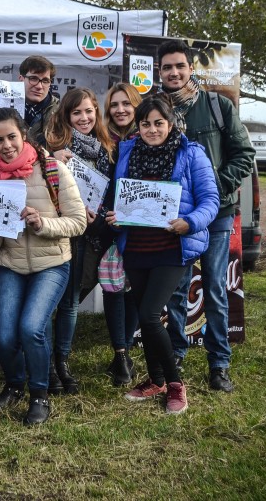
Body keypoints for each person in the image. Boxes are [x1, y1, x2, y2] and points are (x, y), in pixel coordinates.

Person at [0, 107, 87, 426]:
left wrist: (41, 223)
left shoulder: (53, 171)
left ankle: (39, 394)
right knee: (4, 338)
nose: (6, 145)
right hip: (9, 264)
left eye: (11, 137)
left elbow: (77, 223)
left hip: (52, 264)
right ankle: (14, 384)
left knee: (31, 328)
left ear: (23, 134)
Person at [106, 95, 220, 415]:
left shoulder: (191, 153)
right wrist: (115, 217)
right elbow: (118, 197)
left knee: (149, 315)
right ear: (138, 126)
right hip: (137, 248)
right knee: (146, 315)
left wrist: (190, 222)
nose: (152, 130)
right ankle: (155, 379)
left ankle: (174, 384)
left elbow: (211, 199)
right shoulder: (127, 151)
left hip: (173, 248)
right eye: (145, 124)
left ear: (170, 124)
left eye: (158, 123)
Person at [157, 40, 254, 392]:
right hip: (176, 216)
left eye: (179, 66)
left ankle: (219, 363)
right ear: (160, 71)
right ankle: (177, 355)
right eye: (167, 67)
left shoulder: (217, 106)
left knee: (214, 287)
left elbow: (244, 154)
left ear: (190, 68)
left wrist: (214, 187)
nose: (174, 72)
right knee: (178, 289)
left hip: (217, 213)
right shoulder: (156, 113)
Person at [44, 87, 115, 394]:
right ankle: (44, 362)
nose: (84, 118)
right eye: (76, 113)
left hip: (91, 236)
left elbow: (112, 194)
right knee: (49, 303)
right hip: (60, 234)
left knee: (71, 302)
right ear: (66, 116)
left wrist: (99, 217)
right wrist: (50, 158)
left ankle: (62, 361)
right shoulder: (55, 147)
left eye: (89, 111)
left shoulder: (108, 149)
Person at [100, 82, 144, 386]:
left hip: (142, 228)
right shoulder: (101, 140)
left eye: (126, 104)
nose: (120, 110)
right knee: (114, 288)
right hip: (108, 226)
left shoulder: (150, 138)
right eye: (114, 105)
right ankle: (119, 354)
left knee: (137, 292)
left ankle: (125, 350)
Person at [18, 55, 59, 147]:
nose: (39, 86)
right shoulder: (3, 106)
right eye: (33, 78)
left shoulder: (61, 112)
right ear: (21, 79)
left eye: (45, 81)